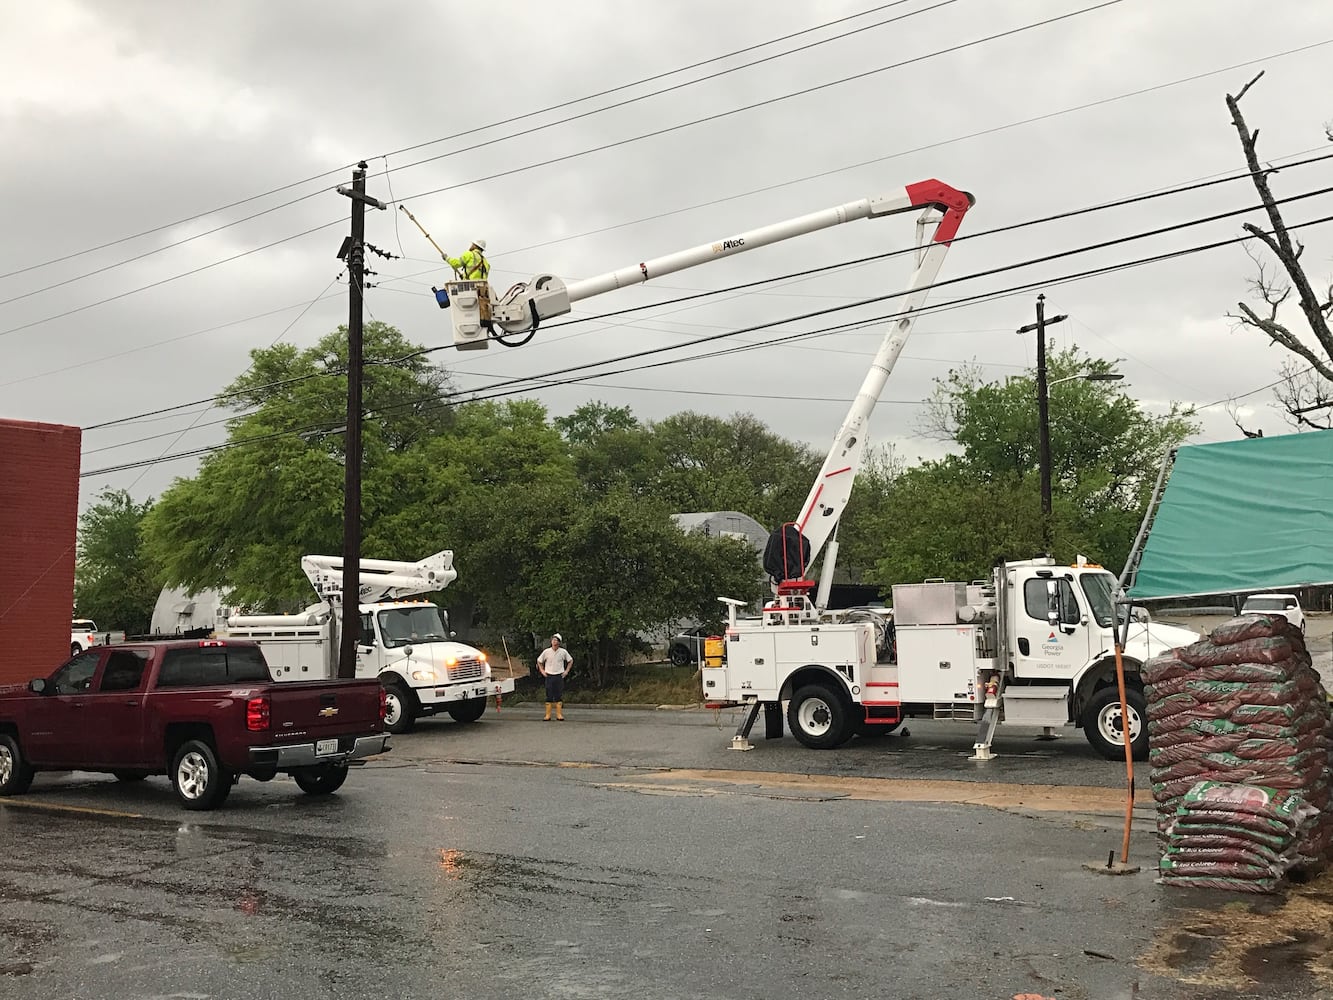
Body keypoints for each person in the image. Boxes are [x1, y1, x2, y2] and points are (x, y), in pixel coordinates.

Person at [536, 633, 573, 721]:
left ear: (559, 642)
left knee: (558, 694)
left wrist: (566, 671)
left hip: (559, 675)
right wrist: (542, 671)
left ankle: (559, 714)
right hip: (549, 675)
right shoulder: (547, 651)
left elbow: (570, 661)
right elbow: (539, 661)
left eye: (556, 640)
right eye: (553, 640)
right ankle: (548, 715)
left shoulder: (563, 652)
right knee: (549, 694)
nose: (554, 642)